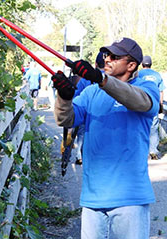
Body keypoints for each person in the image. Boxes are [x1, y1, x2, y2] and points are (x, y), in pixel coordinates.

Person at [51, 37, 160, 239]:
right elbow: (65, 119)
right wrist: (64, 98)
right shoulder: (92, 92)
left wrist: (102, 80)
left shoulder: (146, 88)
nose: (107, 59)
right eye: (106, 54)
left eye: (115, 56)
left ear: (131, 65)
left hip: (130, 200)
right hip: (93, 199)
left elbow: (141, 102)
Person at [74, 51, 105, 165]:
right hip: (102, 116)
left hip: (85, 113)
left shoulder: (85, 79)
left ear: (96, 64)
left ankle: (79, 155)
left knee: (82, 134)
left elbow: (75, 98)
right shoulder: (116, 80)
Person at [139, 55, 166, 160]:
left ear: (142, 64)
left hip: (141, 104)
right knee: (153, 128)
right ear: (151, 64)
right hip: (154, 104)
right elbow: (161, 91)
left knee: (141, 127)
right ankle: (153, 150)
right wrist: (160, 105)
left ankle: (143, 151)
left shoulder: (138, 74)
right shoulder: (157, 75)